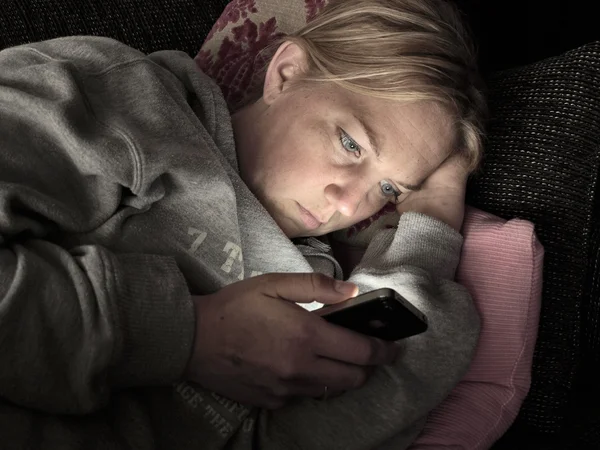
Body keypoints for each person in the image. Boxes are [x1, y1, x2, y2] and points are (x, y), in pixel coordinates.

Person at [0, 0, 486, 448]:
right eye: (351, 144)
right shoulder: (131, 103)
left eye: (388, 190)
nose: (349, 205)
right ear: (287, 73)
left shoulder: (318, 283)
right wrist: (190, 332)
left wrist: (432, 218)